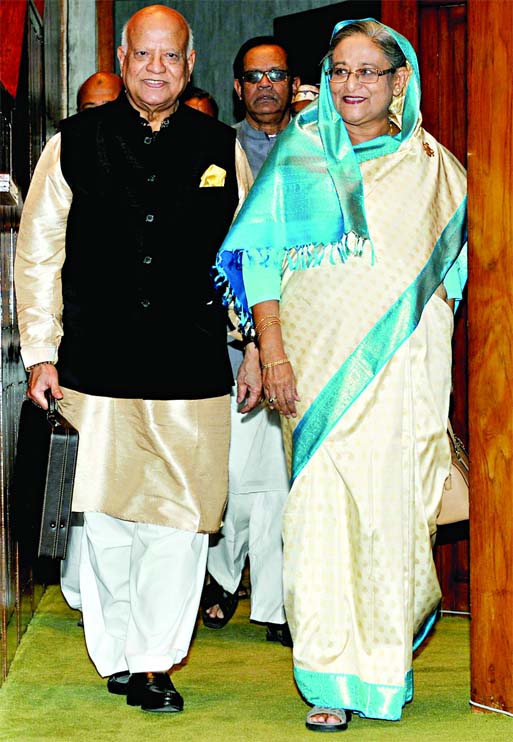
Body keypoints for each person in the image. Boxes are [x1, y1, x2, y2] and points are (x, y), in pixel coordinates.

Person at [215, 18, 467, 732]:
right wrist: (271, 353)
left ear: (397, 81)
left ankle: (382, 673)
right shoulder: (297, 156)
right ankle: (328, 678)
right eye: (339, 71)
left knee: (390, 523)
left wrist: (425, 328)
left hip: (399, 377)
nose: (351, 85)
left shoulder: (432, 169)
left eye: (367, 71)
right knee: (320, 521)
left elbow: (456, 273)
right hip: (313, 373)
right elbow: (259, 262)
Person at [14, 4, 252, 715]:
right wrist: (40, 352)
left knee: (182, 524)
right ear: (122, 58)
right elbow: (39, 253)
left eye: (171, 57)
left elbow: (243, 260)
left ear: (189, 64)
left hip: (192, 368)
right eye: (143, 55)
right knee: (110, 519)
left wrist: (248, 348)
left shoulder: (220, 145)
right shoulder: (73, 143)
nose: (157, 68)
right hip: (95, 362)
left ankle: (154, 662)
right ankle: (117, 653)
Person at [201, 36, 299, 646]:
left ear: (293, 84)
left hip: (305, 335)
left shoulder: (319, 147)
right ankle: (222, 577)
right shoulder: (214, 149)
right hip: (230, 341)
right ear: (238, 87)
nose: (266, 85)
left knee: (285, 479)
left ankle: (279, 598)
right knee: (238, 474)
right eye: (254, 77)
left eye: (277, 75)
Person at [61, 70, 127, 623]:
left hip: (160, 363)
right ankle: (91, 602)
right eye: (90, 109)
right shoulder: (66, 157)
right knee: (89, 491)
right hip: (80, 350)